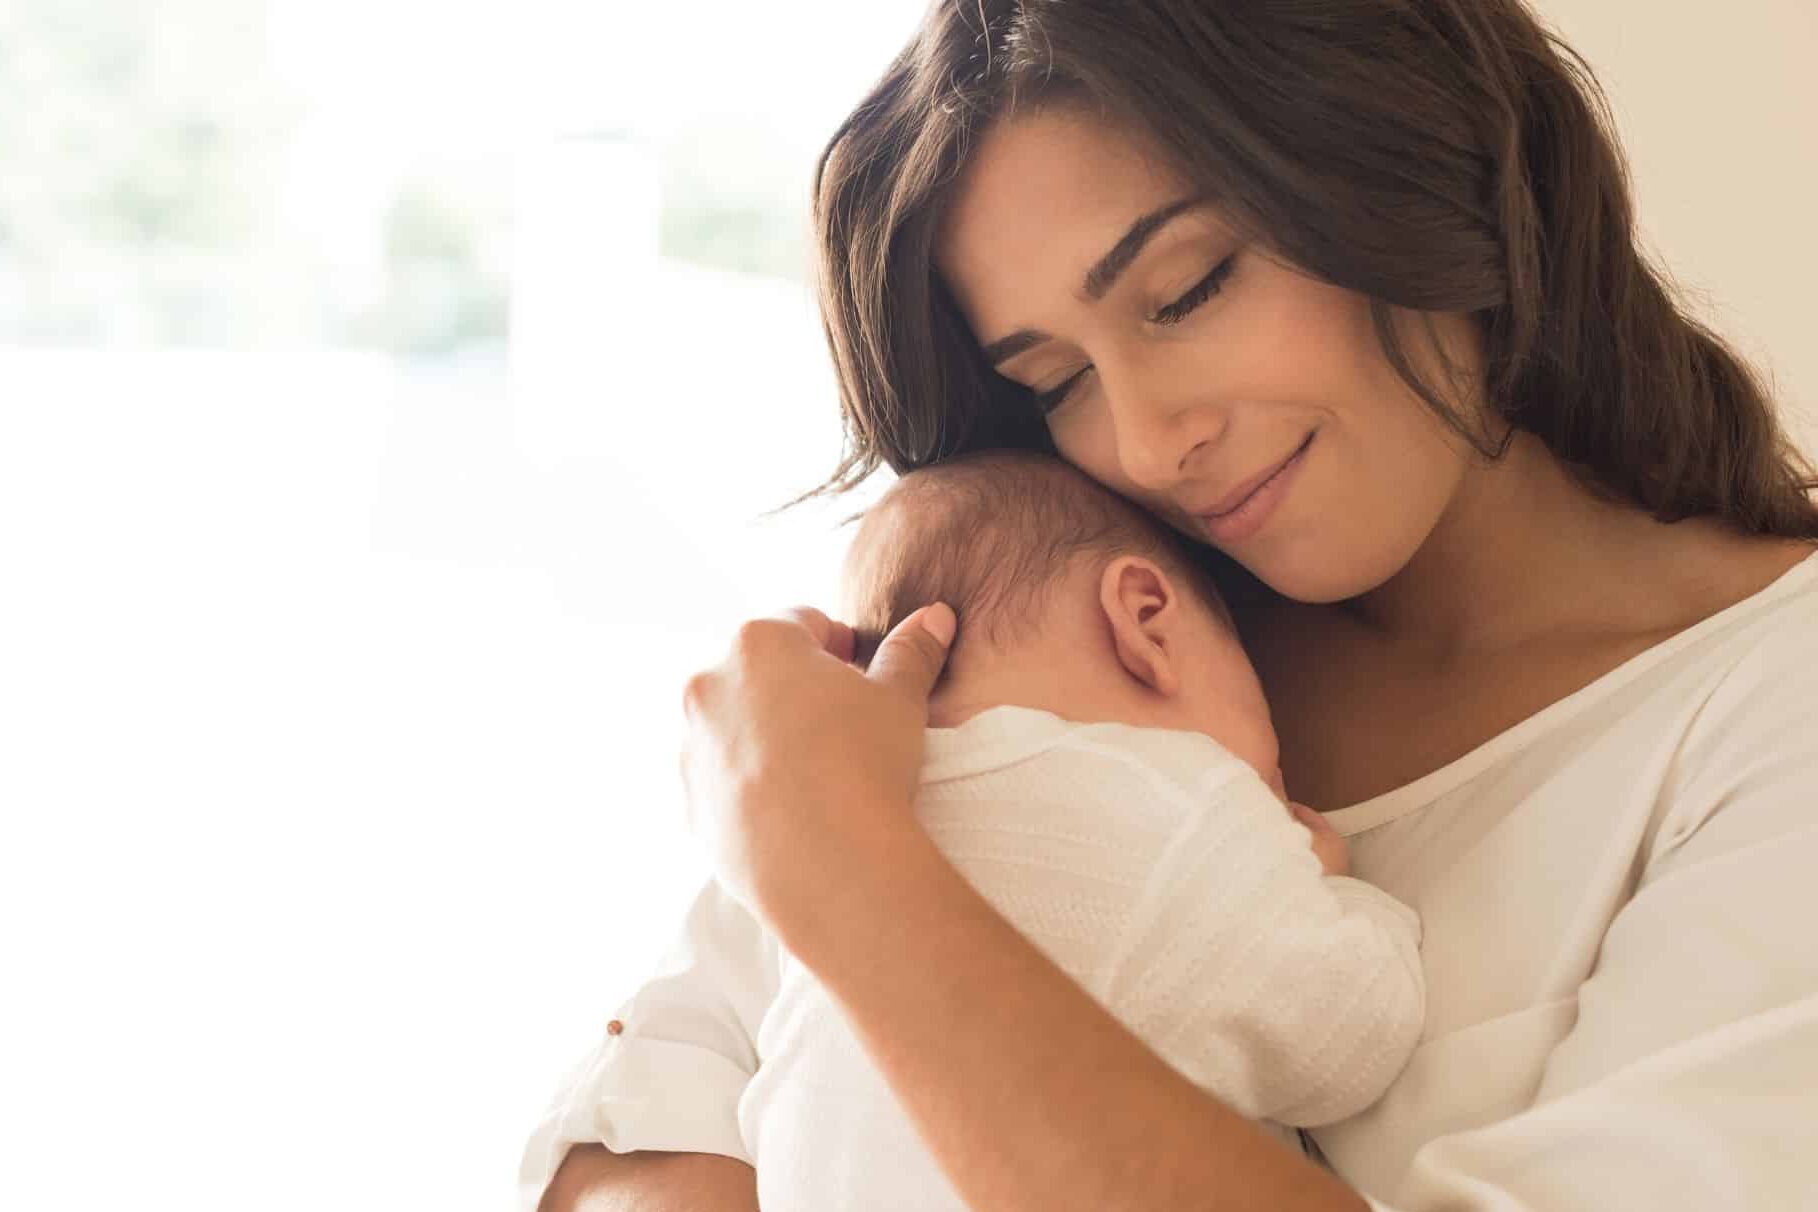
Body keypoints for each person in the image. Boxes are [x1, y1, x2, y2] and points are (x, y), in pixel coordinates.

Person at [536, 1, 1818, 1208]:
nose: (1149, 443)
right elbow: (629, 1134)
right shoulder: (1080, 640)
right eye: (1054, 379)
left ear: (1421, 164)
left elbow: (795, 917)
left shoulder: (1768, 708)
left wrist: (848, 877)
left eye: (1190, 289)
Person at [522, 451, 1425, 1210]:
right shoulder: (1183, 806)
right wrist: (1336, 892)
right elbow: (1347, 1041)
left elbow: (654, 1074)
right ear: (1146, 619)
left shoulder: (805, 833)